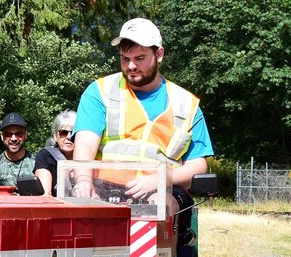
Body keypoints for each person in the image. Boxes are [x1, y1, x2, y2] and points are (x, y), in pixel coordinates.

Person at [71, 18, 212, 202]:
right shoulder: (99, 91)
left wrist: (160, 180)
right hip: (103, 189)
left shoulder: (187, 104)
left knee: (164, 203)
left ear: (159, 54)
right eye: (125, 58)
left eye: (140, 58)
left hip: (164, 191)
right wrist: (83, 182)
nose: (131, 66)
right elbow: (85, 144)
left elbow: (198, 164)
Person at [0, 112, 36, 187]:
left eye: (18, 134)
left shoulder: (37, 164)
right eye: (8, 134)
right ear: (2, 136)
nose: (13, 139)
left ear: (25, 135)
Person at [33, 110, 76, 196]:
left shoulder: (89, 156)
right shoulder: (45, 156)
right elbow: (46, 194)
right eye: (63, 133)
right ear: (55, 136)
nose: (69, 137)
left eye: (73, 133)